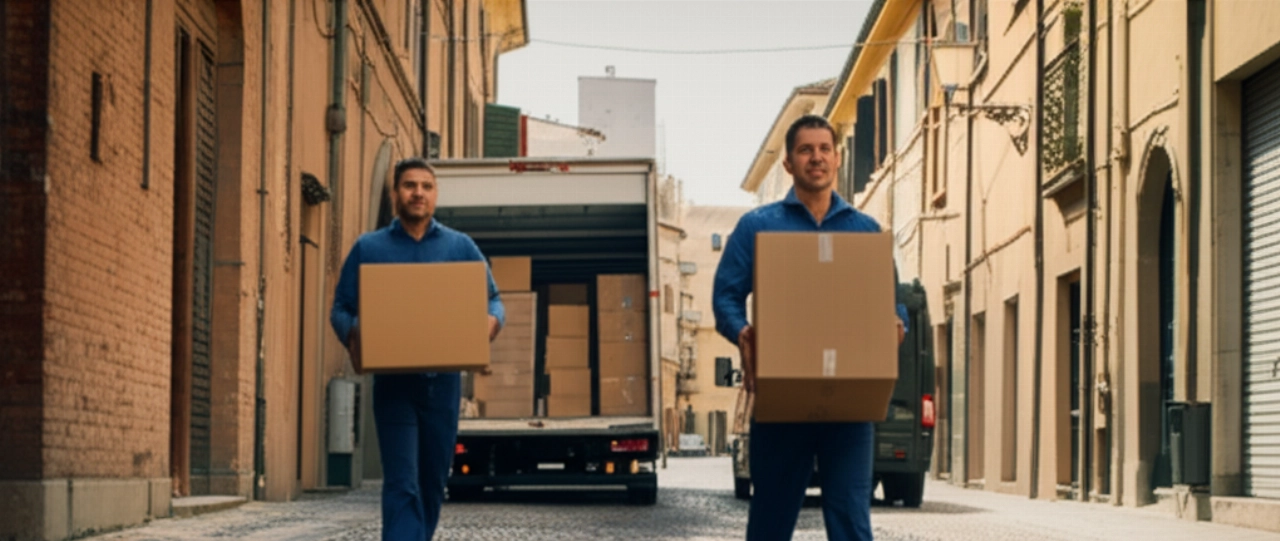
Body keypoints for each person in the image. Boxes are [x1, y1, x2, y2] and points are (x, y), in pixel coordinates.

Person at [712, 114, 907, 541]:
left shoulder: (865, 231)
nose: (816, 158)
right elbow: (725, 297)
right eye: (805, 150)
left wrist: (896, 324)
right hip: (782, 400)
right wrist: (742, 332)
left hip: (850, 406)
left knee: (852, 520)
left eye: (824, 149)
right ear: (788, 163)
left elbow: (892, 304)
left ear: (837, 159)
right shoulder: (758, 226)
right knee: (770, 520)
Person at [330, 157, 504, 540]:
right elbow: (340, 309)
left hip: (442, 385)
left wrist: (489, 324)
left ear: (435, 195)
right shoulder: (370, 248)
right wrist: (360, 333)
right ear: (396, 194)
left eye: (426, 186)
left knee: (431, 482)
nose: (418, 193)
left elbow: (493, 301)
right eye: (409, 185)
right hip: (394, 386)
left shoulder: (460, 247)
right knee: (402, 481)